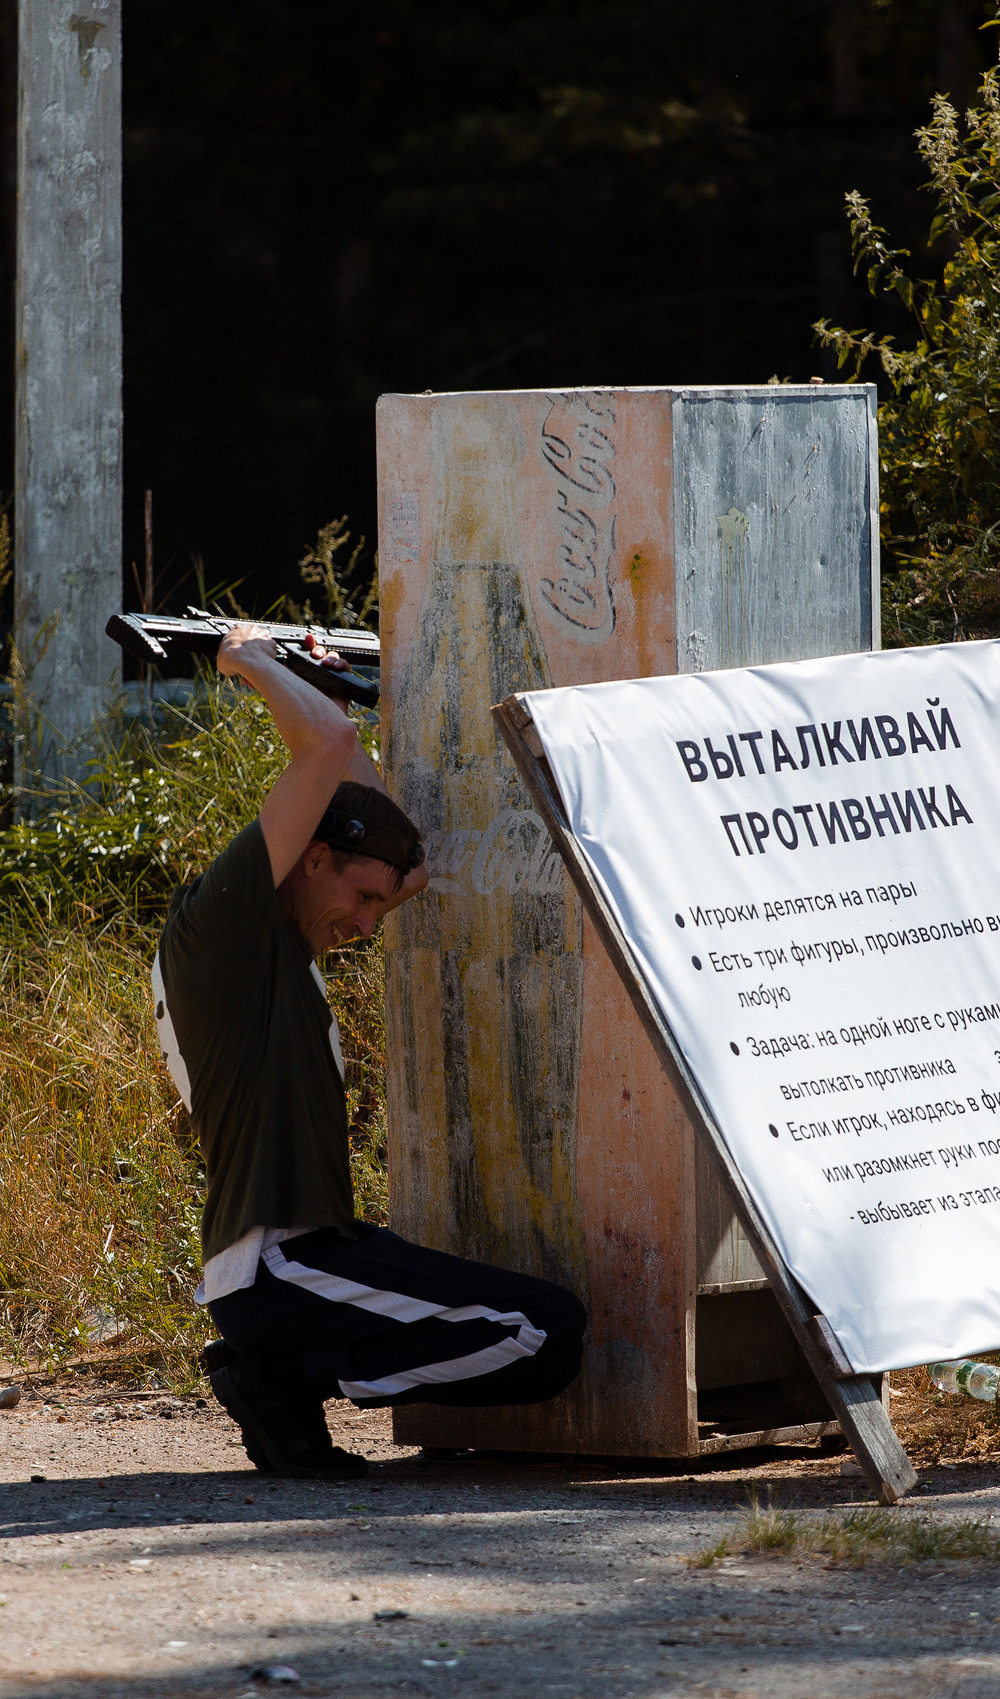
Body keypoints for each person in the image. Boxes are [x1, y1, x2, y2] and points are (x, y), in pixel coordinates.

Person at [152, 622, 588, 1478]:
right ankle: (282, 1380)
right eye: (358, 899)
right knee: (541, 1333)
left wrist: (333, 683)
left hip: (310, 1256)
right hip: (278, 1266)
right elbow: (329, 745)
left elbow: (407, 863)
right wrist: (251, 660)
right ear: (310, 858)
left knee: (549, 1330)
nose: (363, 926)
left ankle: (284, 1379)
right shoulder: (225, 928)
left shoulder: (278, 948)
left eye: (374, 914)